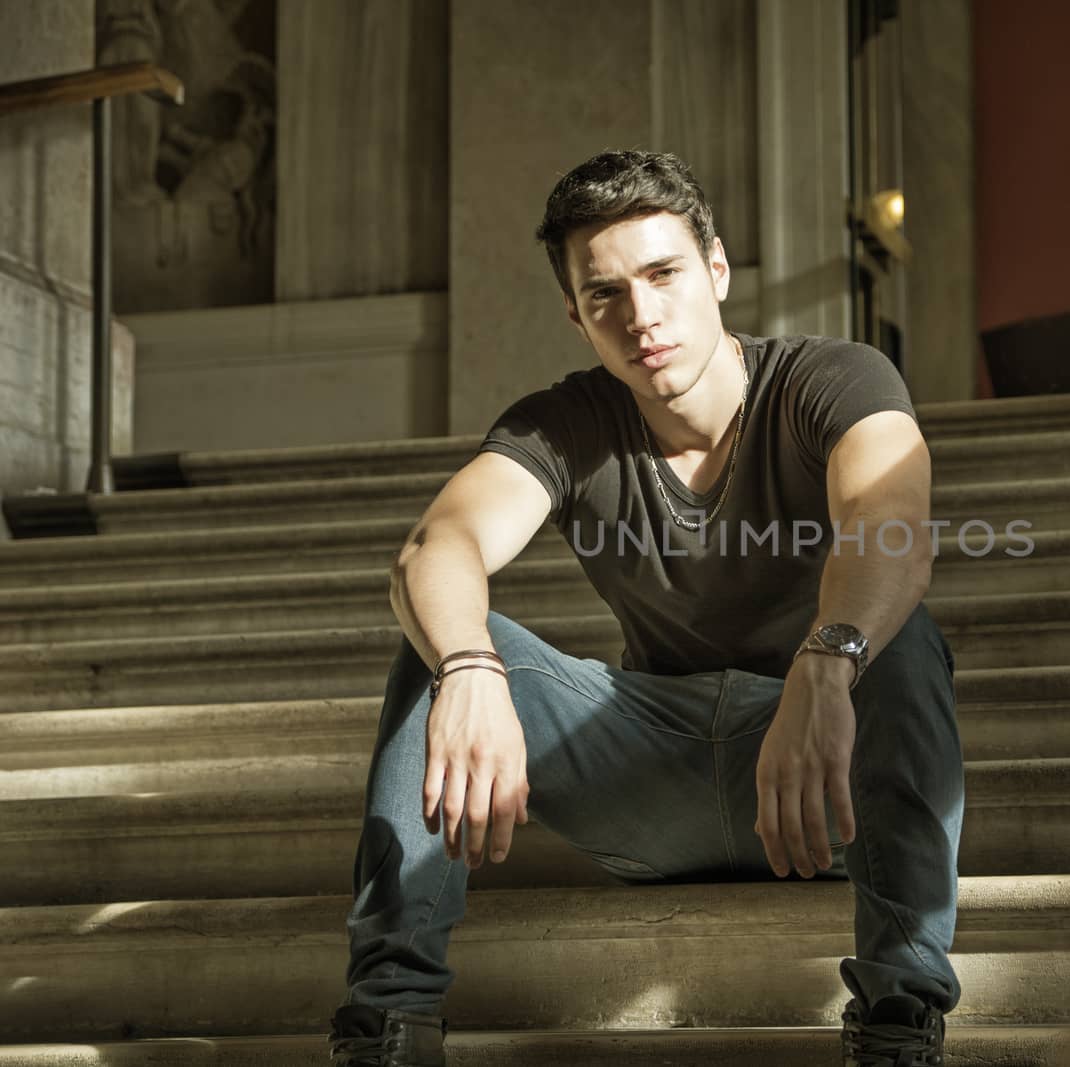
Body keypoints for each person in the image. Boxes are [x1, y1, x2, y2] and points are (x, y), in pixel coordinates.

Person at [326, 150, 965, 1067]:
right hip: (648, 770)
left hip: (824, 774)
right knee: (441, 646)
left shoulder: (835, 380)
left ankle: (899, 1023)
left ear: (715, 270)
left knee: (903, 644)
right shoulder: (568, 422)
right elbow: (439, 547)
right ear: (578, 317)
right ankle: (388, 1026)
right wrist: (468, 667)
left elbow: (889, 525)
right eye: (605, 295)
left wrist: (828, 661)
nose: (641, 315)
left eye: (663, 274)